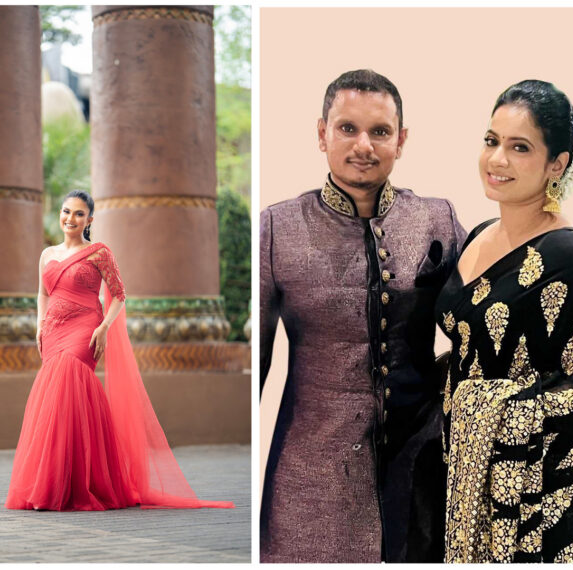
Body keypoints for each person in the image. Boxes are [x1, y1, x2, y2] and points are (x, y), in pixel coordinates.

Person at [259, 69, 466, 563]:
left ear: (401, 140)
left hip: (420, 466)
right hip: (310, 473)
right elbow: (257, 360)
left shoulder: (436, 218)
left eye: (380, 131)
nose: (364, 146)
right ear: (322, 134)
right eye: (347, 128)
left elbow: (478, 322)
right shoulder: (277, 227)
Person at [434, 80, 573, 563]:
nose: (497, 159)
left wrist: (500, 411)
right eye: (491, 141)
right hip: (460, 473)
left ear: (558, 163)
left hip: (528, 501)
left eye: (520, 147)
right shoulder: (476, 236)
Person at [6, 190, 232, 511]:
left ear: (89, 219)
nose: (71, 218)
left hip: (85, 327)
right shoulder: (47, 254)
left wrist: (103, 327)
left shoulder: (99, 252)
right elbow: (42, 293)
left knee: (68, 377)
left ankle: (66, 487)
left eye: (79, 214)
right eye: (67, 211)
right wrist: (40, 324)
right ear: (60, 213)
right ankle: (55, 484)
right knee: (56, 398)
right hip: (54, 330)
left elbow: (120, 295)